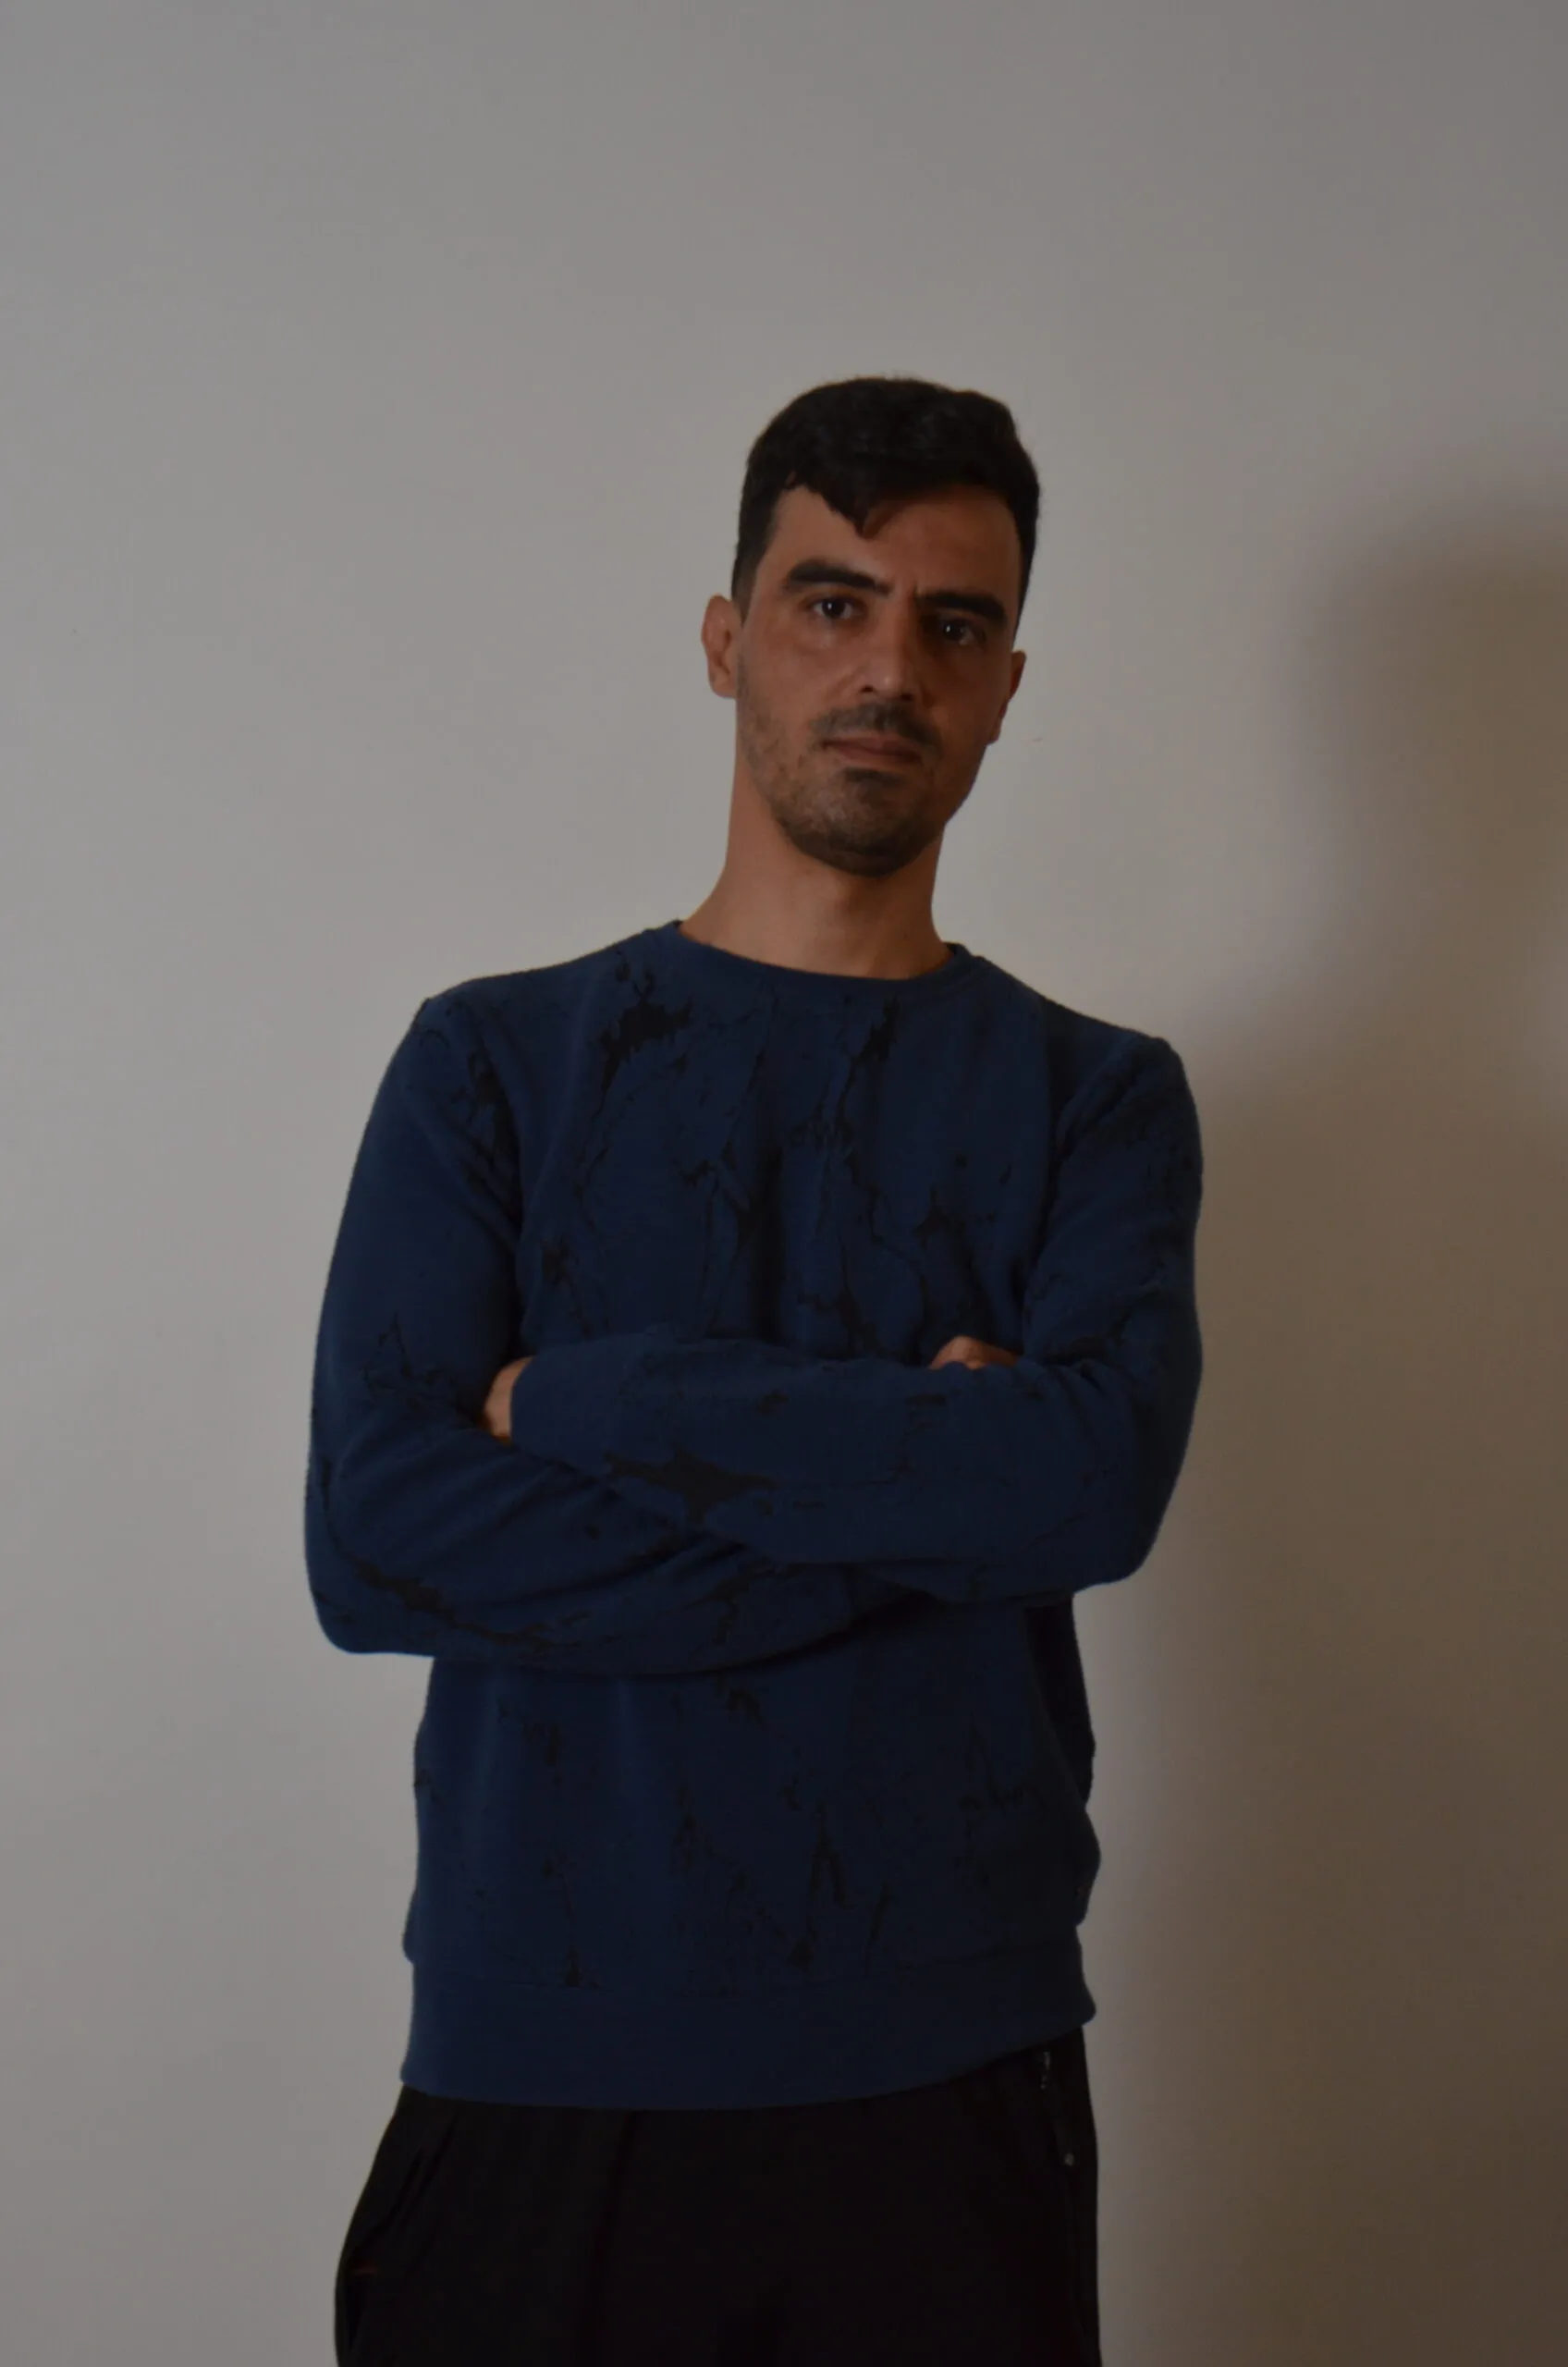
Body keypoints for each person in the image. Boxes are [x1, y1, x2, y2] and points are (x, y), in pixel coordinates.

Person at [306, 374, 1205, 2365]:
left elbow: (1086, 1486)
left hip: (949, 2065)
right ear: (725, 639)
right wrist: (938, 1485)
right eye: (830, 602)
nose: (888, 667)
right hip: (545, 2056)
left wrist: (591, 1400)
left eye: (951, 624)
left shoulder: (1096, 1098)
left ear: (1005, 684)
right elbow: (377, 1542)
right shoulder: (492, 1065)